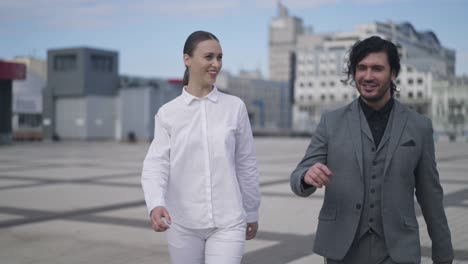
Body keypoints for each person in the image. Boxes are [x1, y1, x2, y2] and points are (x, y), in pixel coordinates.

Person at [290, 36, 454, 264]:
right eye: (361, 68)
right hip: (342, 249)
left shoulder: (419, 126)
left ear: (393, 73)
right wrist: (307, 176)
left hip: (398, 251)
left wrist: (443, 255)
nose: (367, 76)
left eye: (377, 69)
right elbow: (299, 174)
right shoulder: (331, 122)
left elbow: (431, 196)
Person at [141, 30, 261, 264]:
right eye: (209, 57)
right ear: (187, 59)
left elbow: (246, 164)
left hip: (229, 222)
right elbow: (156, 163)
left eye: (220, 57)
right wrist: (155, 203)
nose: (216, 64)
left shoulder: (234, 107)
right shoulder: (168, 113)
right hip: (182, 223)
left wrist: (252, 211)